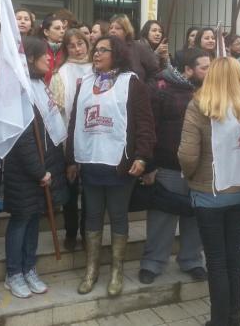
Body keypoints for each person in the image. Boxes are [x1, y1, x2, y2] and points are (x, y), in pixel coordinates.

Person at [66, 35, 155, 296]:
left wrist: (142, 156)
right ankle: (91, 270)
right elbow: (74, 123)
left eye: (103, 50)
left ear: (116, 53)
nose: (96, 54)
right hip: (91, 163)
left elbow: (145, 124)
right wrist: (71, 159)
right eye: (96, 49)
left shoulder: (132, 83)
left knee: (117, 216)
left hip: (120, 164)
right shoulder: (86, 83)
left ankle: (116, 271)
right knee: (92, 216)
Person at [178, 57, 240, 326]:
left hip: (208, 193)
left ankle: (218, 321)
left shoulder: (200, 105)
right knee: (232, 259)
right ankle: (233, 317)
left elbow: (187, 154)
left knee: (215, 262)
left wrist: (191, 177)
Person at [2, 36, 68, 298]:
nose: (48, 60)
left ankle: (29, 267)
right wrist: (38, 171)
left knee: (33, 222)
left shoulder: (39, 84)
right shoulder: (20, 88)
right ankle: (13, 272)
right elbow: (23, 136)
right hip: (25, 172)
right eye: (44, 56)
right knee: (21, 221)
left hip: (43, 169)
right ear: (30, 58)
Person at [138, 48, 210, 285]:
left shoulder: (211, 91)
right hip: (167, 165)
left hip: (201, 168)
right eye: (204, 67)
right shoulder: (160, 88)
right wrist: (149, 164)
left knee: (196, 217)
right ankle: (153, 262)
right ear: (188, 70)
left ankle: (192, 260)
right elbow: (148, 127)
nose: (209, 72)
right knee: (162, 217)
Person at [50, 28, 92, 251]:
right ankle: (70, 231)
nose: (77, 49)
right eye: (71, 45)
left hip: (94, 138)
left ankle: (87, 233)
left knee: (90, 193)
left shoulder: (98, 69)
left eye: (81, 43)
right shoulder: (61, 73)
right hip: (69, 139)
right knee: (71, 189)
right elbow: (55, 111)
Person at [109, 13, 159, 81]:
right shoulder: (107, 49)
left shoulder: (139, 48)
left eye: (118, 28)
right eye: (111, 28)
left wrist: (145, 89)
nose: (112, 31)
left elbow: (155, 72)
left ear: (126, 31)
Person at [39, 13, 66, 85]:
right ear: (46, 32)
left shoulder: (67, 50)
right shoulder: (38, 50)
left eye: (63, 28)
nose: (62, 31)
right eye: (57, 28)